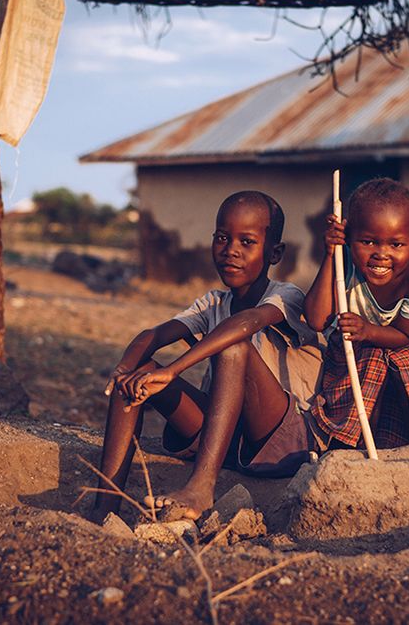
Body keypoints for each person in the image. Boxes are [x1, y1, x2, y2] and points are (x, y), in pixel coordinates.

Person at [89, 191, 322, 523]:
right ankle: (104, 506)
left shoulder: (287, 296)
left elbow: (245, 324)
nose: (231, 251)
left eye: (247, 242)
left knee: (234, 346)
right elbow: (152, 336)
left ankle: (200, 486)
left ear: (274, 252)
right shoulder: (213, 302)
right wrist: (125, 369)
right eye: (222, 238)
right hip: (224, 437)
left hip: (283, 441)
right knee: (137, 373)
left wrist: (174, 370)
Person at [304, 178, 409, 451]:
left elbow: (403, 334)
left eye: (396, 245)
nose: (382, 254)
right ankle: (350, 438)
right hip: (354, 339)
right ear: (348, 236)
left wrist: (368, 331)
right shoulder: (344, 266)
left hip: (406, 335)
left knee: (399, 360)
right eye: (368, 241)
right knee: (370, 357)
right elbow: (317, 320)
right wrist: (331, 254)